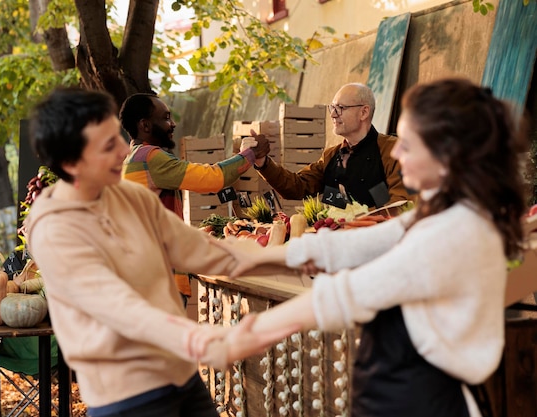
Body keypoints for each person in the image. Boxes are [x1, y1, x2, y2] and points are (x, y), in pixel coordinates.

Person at [198, 78, 528, 416]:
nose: (398, 152)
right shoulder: (446, 213)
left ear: (444, 152)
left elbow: (348, 294)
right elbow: (354, 244)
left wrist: (246, 335)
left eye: (409, 144)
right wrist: (262, 254)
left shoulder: (453, 232)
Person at [24, 87, 295, 417]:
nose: (124, 149)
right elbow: (121, 308)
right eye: (109, 144)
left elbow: (204, 251)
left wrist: (303, 257)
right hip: (128, 397)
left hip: (181, 376)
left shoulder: (128, 196)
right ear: (71, 162)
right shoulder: (55, 229)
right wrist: (200, 340)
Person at [120, 93, 270, 304]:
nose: (172, 124)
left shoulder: (131, 160)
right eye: (165, 118)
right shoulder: (150, 157)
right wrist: (251, 154)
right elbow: (213, 178)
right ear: (145, 125)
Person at [255, 83, 413, 209]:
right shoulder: (331, 156)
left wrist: (352, 221)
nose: (333, 114)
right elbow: (298, 186)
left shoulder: (392, 151)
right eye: (332, 108)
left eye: (340, 108)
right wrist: (263, 163)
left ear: (364, 112)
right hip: (335, 241)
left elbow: (400, 205)